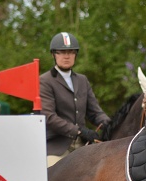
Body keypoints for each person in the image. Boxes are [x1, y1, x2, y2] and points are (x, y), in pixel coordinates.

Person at [40, 32, 111, 167]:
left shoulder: (82, 80)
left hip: (83, 147)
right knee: (52, 175)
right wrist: (79, 131)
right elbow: (49, 117)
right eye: (61, 52)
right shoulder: (45, 81)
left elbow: (95, 112)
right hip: (57, 148)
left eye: (71, 52)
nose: (66, 56)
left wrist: (111, 125)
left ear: (75, 55)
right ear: (53, 54)